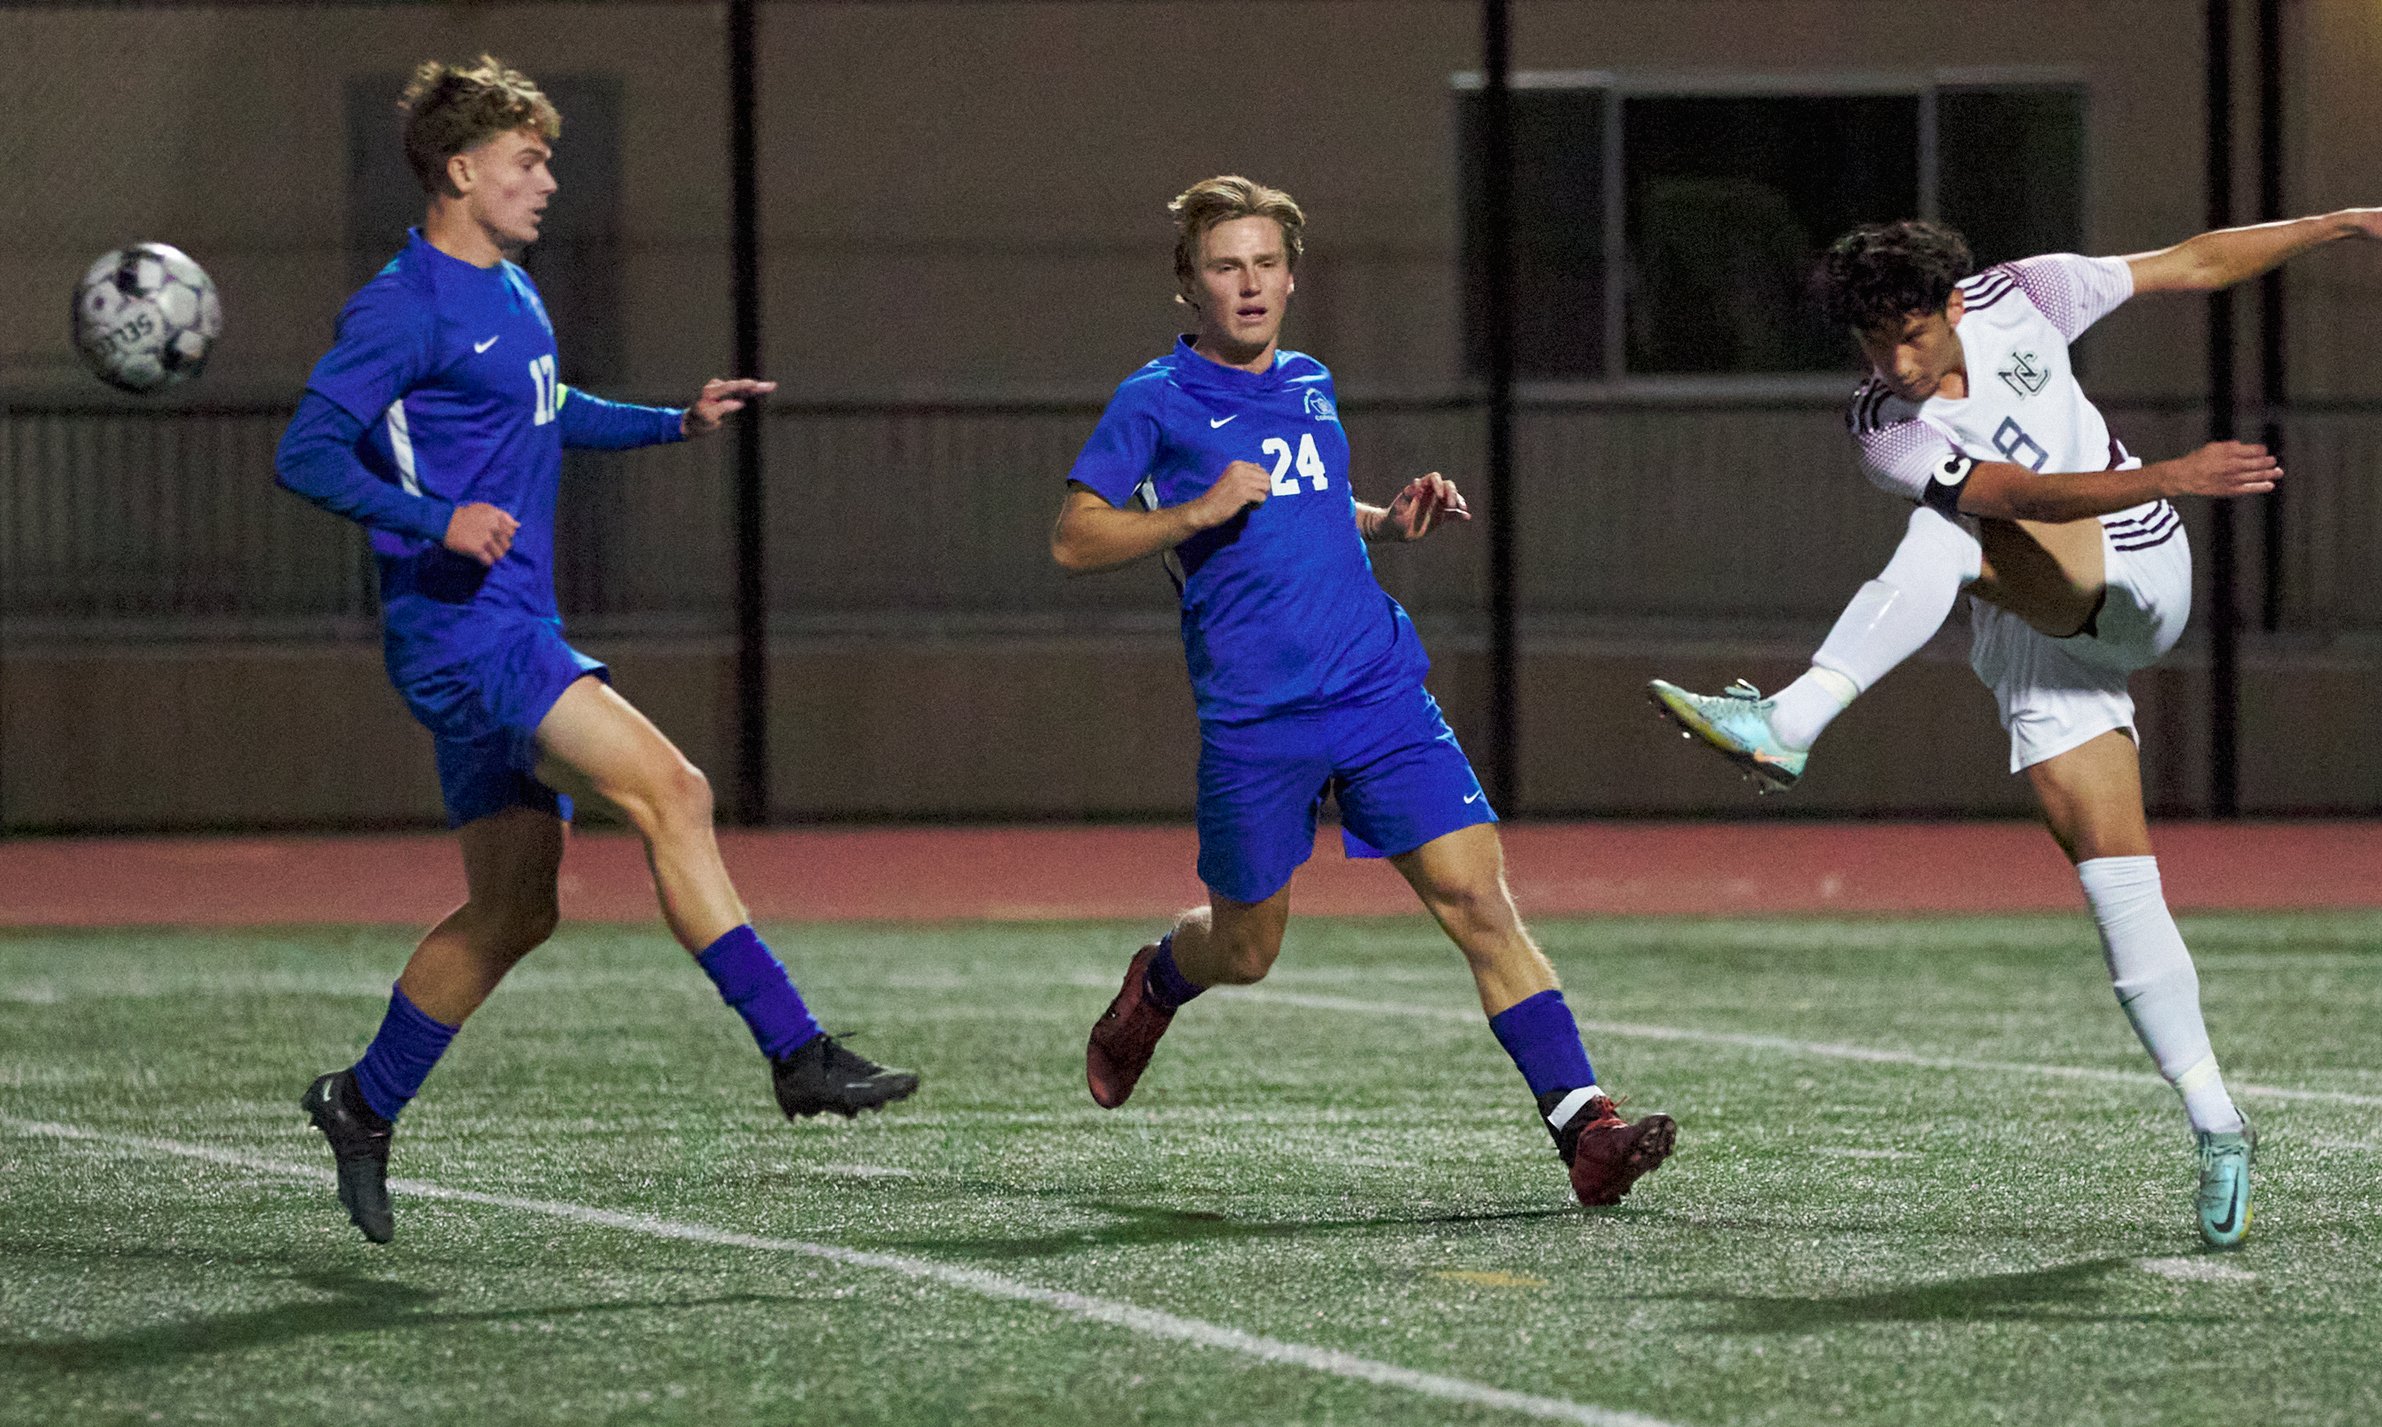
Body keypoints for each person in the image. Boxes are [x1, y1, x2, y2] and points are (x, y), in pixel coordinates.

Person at [1646, 208, 2382, 1247]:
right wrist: (2168, 468)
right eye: (1873, 343)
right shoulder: (1881, 423)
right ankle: (2219, 1122)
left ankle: (1790, 719)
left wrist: (2338, 223)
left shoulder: (2025, 295)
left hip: (2136, 566)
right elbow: (2011, 493)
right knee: (2115, 879)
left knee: (1938, 538)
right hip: (2040, 615)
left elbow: (2192, 262)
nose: (1896, 360)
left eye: (1911, 333)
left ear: (1952, 303)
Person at [274, 56, 916, 1244]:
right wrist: (434, 520)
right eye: (528, 161)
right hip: (467, 634)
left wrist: (675, 418)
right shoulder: (400, 306)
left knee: (515, 910)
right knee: (674, 790)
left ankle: (361, 1101)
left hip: (510, 625)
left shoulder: (511, 293)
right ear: (461, 171)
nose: (549, 180)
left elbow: (547, 407)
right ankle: (796, 1051)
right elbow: (306, 452)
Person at [1053, 175, 1675, 1207]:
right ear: (1188, 286)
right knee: (1245, 950)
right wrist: (1193, 510)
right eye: (1224, 265)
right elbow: (1076, 536)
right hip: (1257, 715)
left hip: (1376, 685)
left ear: (1290, 276)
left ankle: (1585, 1127)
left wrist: (1385, 521)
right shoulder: (1151, 401)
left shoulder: (1308, 378)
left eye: (1264, 264)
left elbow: (1308, 501)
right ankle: (1161, 977)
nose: (1247, 284)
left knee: (1478, 894)